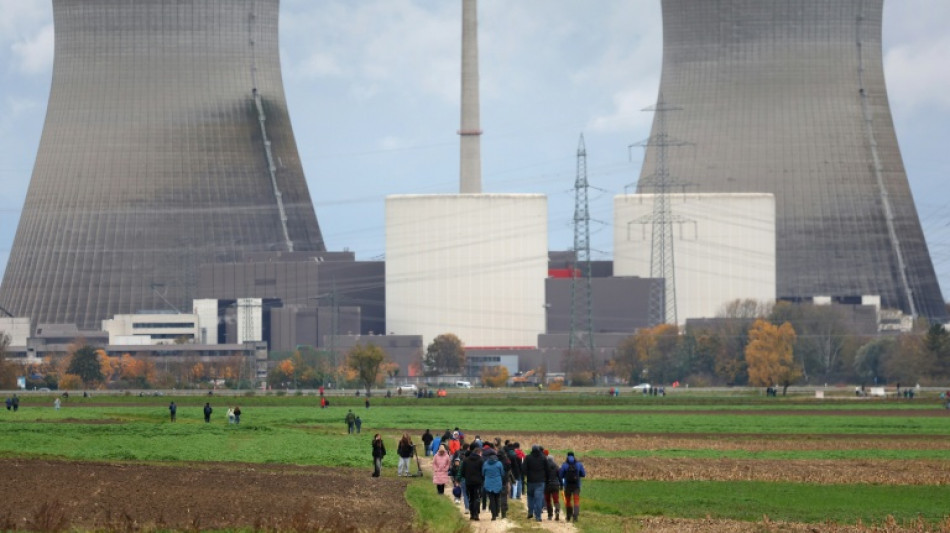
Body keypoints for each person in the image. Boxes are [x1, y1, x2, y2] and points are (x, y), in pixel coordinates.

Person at [558, 451, 587, 522]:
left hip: (567, 486)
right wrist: (577, 475)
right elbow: (583, 474)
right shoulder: (579, 464)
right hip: (576, 485)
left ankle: (568, 516)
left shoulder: (564, 465)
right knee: (576, 501)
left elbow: (560, 475)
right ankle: (575, 516)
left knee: (568, 501)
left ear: (567, 457)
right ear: (574, 456)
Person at [523, 445, 547, 521]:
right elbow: (547, 469)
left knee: (530, 497)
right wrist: (546, 478)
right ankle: (538, 517)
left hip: (530, 481)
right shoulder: (543, 458)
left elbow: (523, 469)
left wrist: (526, 475)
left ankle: (530, 511)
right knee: (539, 499)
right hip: (540, 481)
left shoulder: (528, 457)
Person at [461, 444, 485, 520]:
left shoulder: (466, 460)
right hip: (478, 482)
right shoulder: (481, 460)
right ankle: (476, 514)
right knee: (477, 498)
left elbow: (462, 472)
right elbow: (483, 472)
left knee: (471, 498)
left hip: (469, 482)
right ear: (479, 452)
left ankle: (472, 514)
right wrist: (482, 479)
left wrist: (467, 477)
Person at [481, 446, 505, 520]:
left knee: (491, 499)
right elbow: (502, 473)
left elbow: (483, 473)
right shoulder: (499, 463)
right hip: (498, 483)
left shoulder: (485, 464)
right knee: (497, 498)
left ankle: (493, 515)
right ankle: (497, 512)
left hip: (488, 483)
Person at [543, 449, 562, 521]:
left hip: (547, 485)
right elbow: (560, 477)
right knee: (556, 500)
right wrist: (561, 485)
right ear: (553, 459)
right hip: (555, 485)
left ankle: (550, 515)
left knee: (548, 501)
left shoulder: (545, 466)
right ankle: (557, 510)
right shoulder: (557, 466)